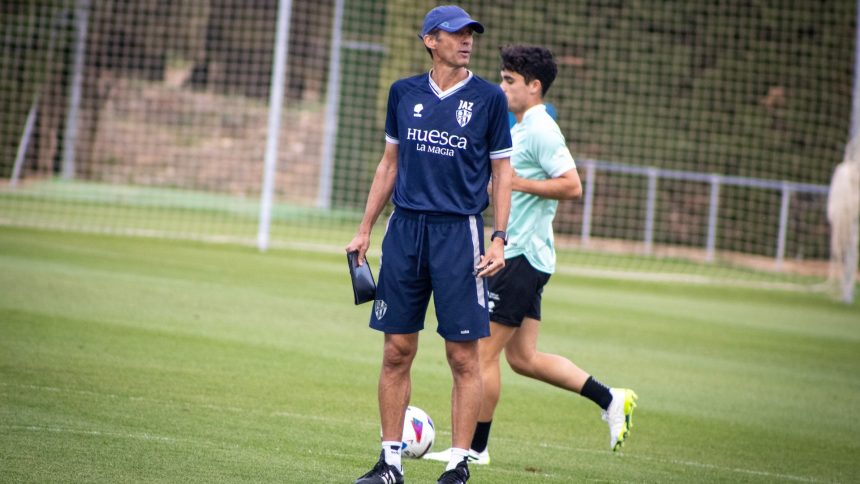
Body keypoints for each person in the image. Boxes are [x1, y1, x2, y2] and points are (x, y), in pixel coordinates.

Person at [424, 45, 638, 466]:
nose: (502, 87)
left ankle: (474, 450)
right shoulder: (521, 126)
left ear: (534, 87)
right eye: (502, 79)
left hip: (519, 258)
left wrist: (517, 185)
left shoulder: (541, 128)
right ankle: (610, 397)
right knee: (522, 359)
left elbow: (572, 185)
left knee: (480, 355)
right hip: (527, 256)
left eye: (510, 81)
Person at [347, 5, 513, 484]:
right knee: (396, 350)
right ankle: (390, 464)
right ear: (430, 40)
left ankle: (459, 465)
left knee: (463, 355)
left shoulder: (489, 99)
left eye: (470, 35)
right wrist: (364, 229)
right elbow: (388, 164)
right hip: (404, 231)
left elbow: (502, 172)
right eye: (456, 34)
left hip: (459, 234)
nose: (467, 41)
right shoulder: (403, 93)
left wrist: (499, 238)